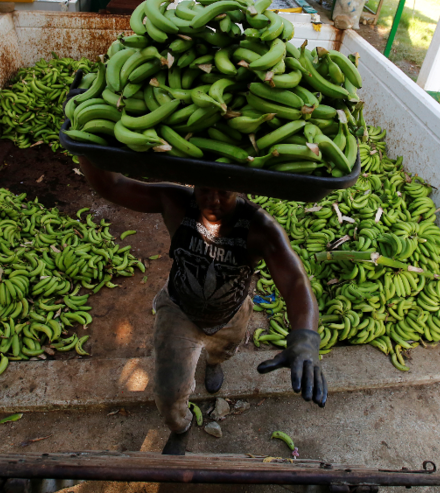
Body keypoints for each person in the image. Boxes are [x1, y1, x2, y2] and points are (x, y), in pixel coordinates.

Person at [79, 157, 328, 455]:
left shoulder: (260, 228)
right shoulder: (176, 202)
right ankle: (180, 428)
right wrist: (85, 146)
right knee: (169, 392)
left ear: (241, 188)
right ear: (193, 183)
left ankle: (214, 362)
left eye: (224, 192)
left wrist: (305, 339)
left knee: (222, 350)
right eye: (205, 189)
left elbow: (295, 283)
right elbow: (113, 184)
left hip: (231, 313)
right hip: (179, 310)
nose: (213, 200)